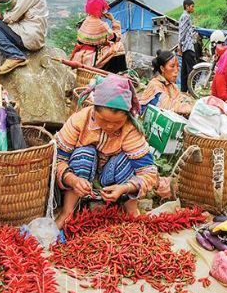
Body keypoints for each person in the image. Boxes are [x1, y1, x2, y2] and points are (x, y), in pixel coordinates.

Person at [54, 74, 159, 228]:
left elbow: (148, 172)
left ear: (127, 116)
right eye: (103, 120)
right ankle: (67, 211)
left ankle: (131, 211)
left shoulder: (130, 129)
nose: (110, 126)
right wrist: (72, 180)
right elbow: (57, 160)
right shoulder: (79, 121)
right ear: (93, 109)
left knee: (128, 159)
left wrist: (125, 187)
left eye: (117, 122)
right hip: (81, 178)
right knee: (84, 153)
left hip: (112, 182)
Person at [69, 0, 127, 73]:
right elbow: (116, 38)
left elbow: (80, 41)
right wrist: (113, 20)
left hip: (80, 56)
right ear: (101, 9)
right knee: (118, 46)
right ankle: (119, 73)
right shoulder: (101, 25)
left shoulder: (85, 22)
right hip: (92, 59)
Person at [139, 50, 194, 116]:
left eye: (177, 66)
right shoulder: (155, 85)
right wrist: (188, 108)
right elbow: (166, 106)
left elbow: (181, 99)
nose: (176, 70)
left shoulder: (173, 86)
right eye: (172, 66)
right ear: (162, 68)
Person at [178, 0, 196, 93]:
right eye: (192, 6)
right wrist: (180, 45)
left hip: (185, 47)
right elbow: (182, 32)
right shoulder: (186, 16)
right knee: (192, 69)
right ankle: (192, 90)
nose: (193, 8)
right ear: (187, 6)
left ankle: (184, 90)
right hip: (188, 46)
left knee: (184, 70)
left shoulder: (184, 16)